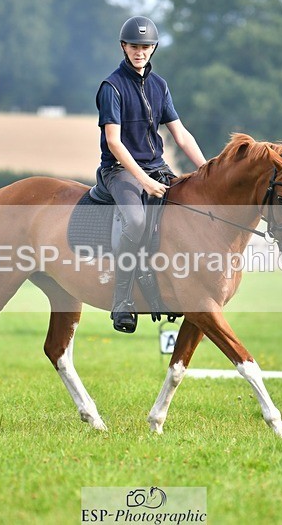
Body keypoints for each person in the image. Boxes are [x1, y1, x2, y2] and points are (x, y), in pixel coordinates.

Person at [96, 16, 206, 333]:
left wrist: (208, 171)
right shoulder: (111, 87)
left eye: (145, 46)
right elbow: (114, 143)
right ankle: (122, 302)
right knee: (136, 220)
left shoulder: (159, 86)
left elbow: (182, 136)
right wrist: (142, 181)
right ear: (123, 47)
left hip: (158, 167)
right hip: (120, 171)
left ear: (153, 48)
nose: (139, 51)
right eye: (134, 46)